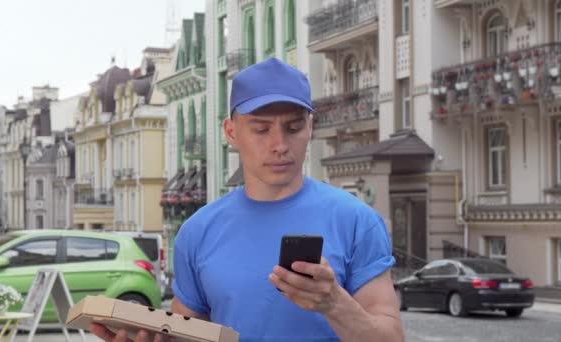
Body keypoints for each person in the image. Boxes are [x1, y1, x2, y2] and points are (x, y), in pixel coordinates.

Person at [90, 57, 404, 342]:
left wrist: (334, 303)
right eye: (261, 129)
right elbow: (187, 334)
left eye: (293, 128)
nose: (279, 144)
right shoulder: (198, 231)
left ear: (310, 127)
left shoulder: (357, 222)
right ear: (231, 132)